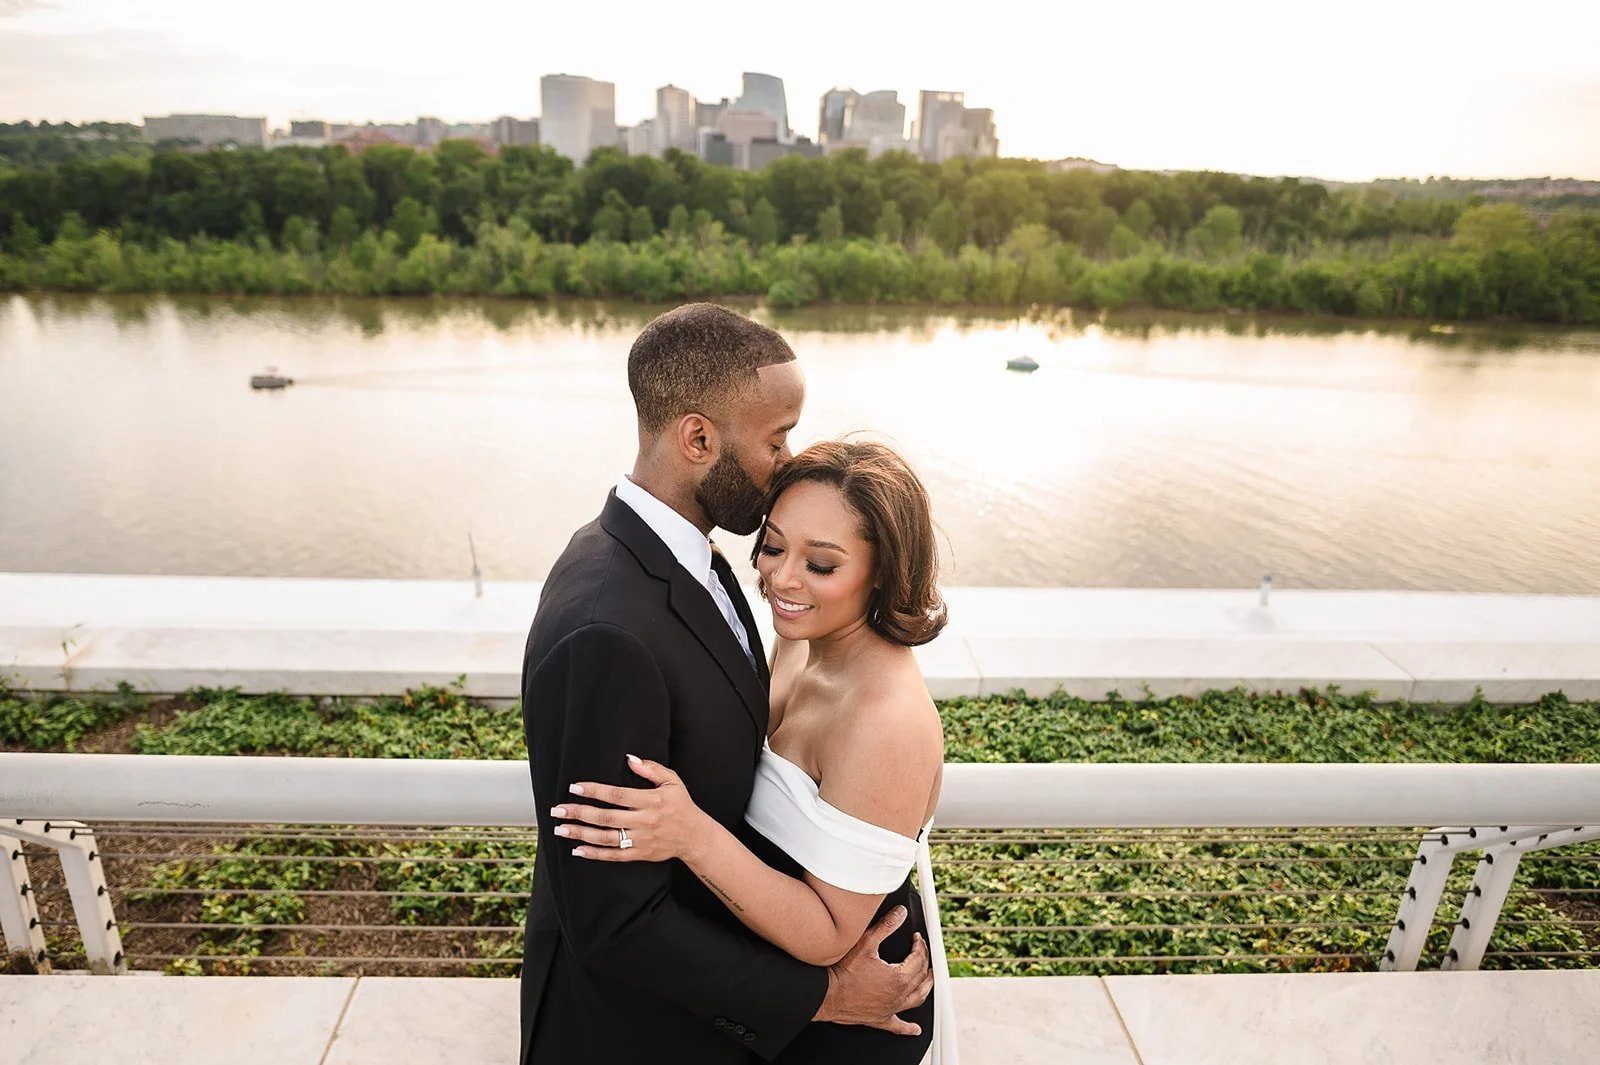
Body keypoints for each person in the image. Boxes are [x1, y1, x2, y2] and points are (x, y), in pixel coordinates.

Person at [519, 304, 933, 1065]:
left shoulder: (689, 557)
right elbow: (611, 916)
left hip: (783, 982)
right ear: (699, 438)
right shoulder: (608, 629)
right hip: (647, 1027)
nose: (788, 460)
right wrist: (824, 998)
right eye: (777, 438)